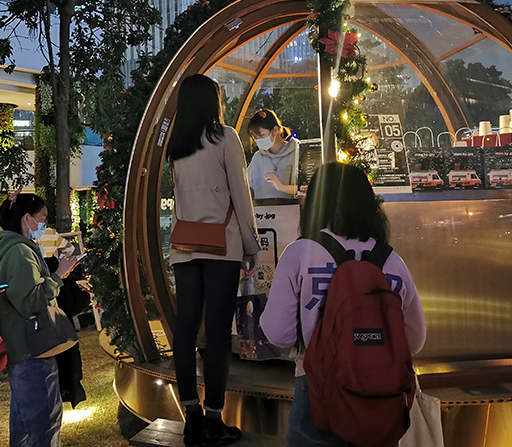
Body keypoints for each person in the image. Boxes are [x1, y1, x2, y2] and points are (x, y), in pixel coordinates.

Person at [261, 163, 427, 447]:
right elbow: (415, 341)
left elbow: (278, 333)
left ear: (314, 203)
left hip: (316, 393)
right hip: (381, 401)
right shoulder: (392, 261)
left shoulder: (299, 253)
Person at [166, 74, 260, 446]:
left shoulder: (176, 145)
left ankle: (190, 418)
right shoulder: (226, 137)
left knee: (185, 331)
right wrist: (251, 245)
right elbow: (241, 193)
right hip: (222, 246)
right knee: (218, 333)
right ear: (213, 101)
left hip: (184, 248)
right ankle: (215, 418)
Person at [0, 193, 80, 447]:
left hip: (22, 347)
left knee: (24, 426)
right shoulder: (19, 252)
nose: (45, 226)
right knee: (44, 425)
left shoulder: (13, 248)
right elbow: (32, 302)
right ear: (26, 218)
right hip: (32, 348)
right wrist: (59, 275)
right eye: (42, 219)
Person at [247, 109, 299, 199]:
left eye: (262, 135)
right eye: (255, 138)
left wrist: (281, 187)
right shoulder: (257, 157)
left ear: (275, 130)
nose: (258, 141)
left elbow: (305, 189)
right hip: (262, 212)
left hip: (290, 210)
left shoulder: (296, 152)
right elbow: (247, 187)